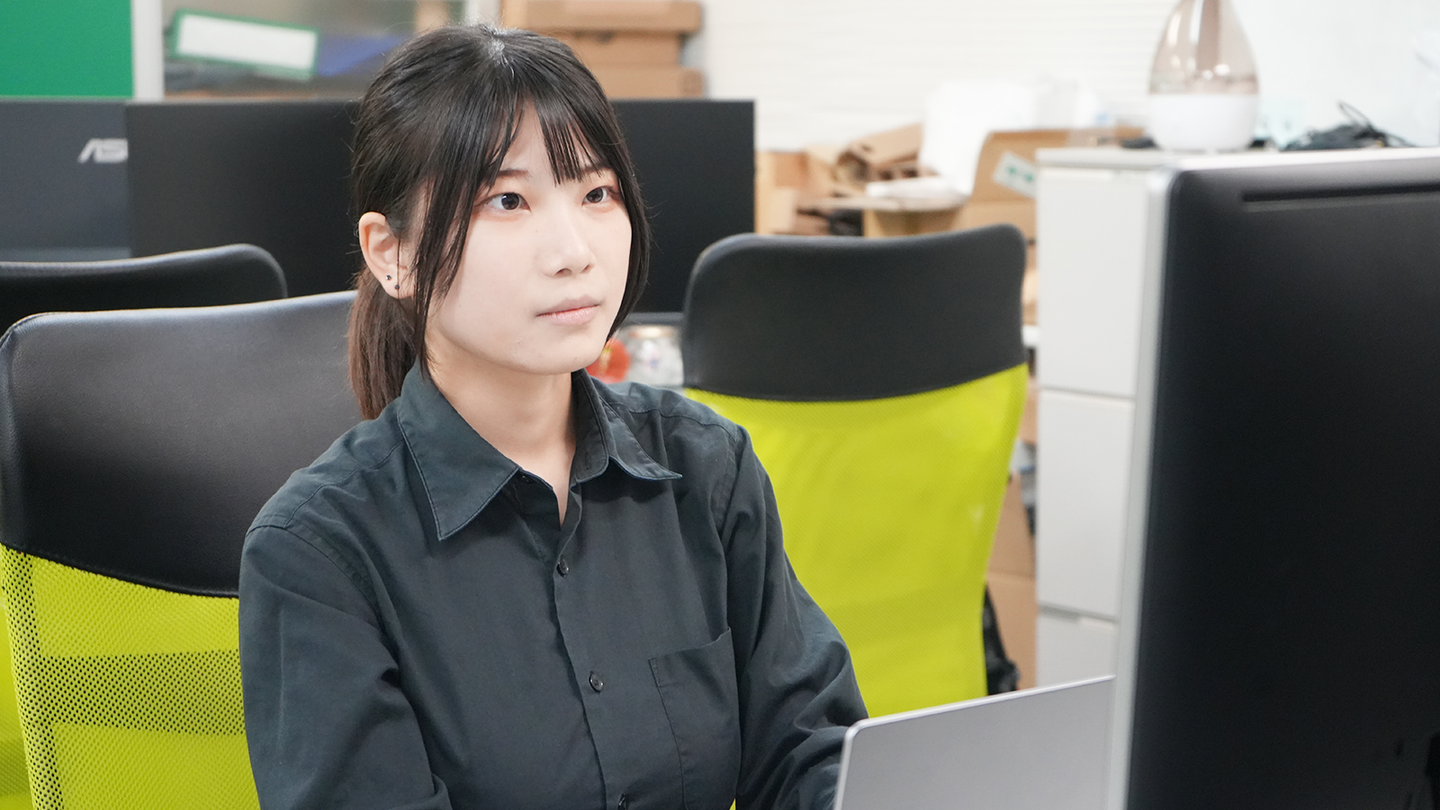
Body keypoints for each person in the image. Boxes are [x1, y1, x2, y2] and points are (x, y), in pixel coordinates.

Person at [238, 24, 866, 810]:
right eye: (507, 201)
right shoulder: (320, 553)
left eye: (597, 194)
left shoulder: (705, 468)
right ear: (391, 253)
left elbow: (810, 754)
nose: (574, 251)